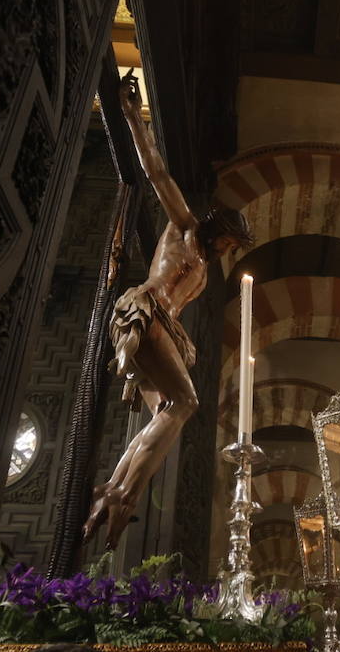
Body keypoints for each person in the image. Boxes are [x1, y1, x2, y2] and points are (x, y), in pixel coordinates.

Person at [84, 72, 256, 550]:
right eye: (227, 239)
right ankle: (121, 491)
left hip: (167, 329)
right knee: (185, 404)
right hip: (147, 312)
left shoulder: (205, 268)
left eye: (232, 245)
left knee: (166, 417)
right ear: (217, 227)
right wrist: (132, 116)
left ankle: (117, 487)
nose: (226, 248)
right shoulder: (184, 229)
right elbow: (156, 172)